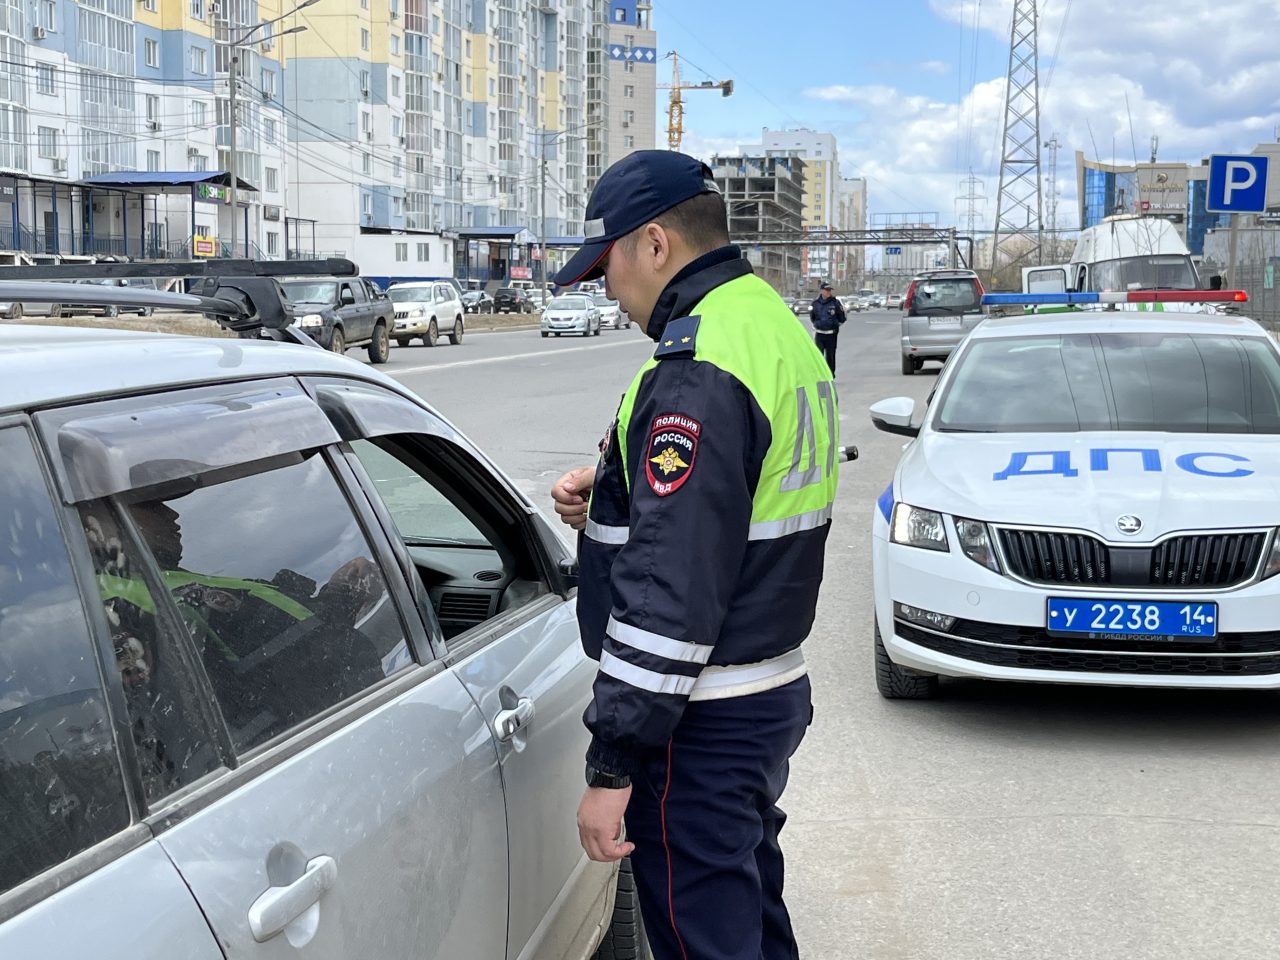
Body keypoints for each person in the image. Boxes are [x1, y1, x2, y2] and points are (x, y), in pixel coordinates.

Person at [548, 149, 839, 960]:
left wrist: (613, 766)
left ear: (654, 244)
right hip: (763, 688)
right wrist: (610, 484)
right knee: (748, 922)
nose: (607, 287)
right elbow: (731, 501)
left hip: (699, 716)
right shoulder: (772, 328)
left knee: (703, 938)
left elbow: (670, 594)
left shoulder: (700, 366)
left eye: (607, 264)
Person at [809, 281, 846, 374]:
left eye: (829, 290)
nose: (828, 292)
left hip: (831, 334)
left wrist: (835, 325)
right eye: (826, 290)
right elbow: (812, 317)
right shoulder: (815, 303)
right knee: (819, 356)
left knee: (830, 356)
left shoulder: (835, 303)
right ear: (821, 291)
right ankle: (820, 374)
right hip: (819, 334)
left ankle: (830, 374)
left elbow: (842, 318)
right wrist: (817, 324)